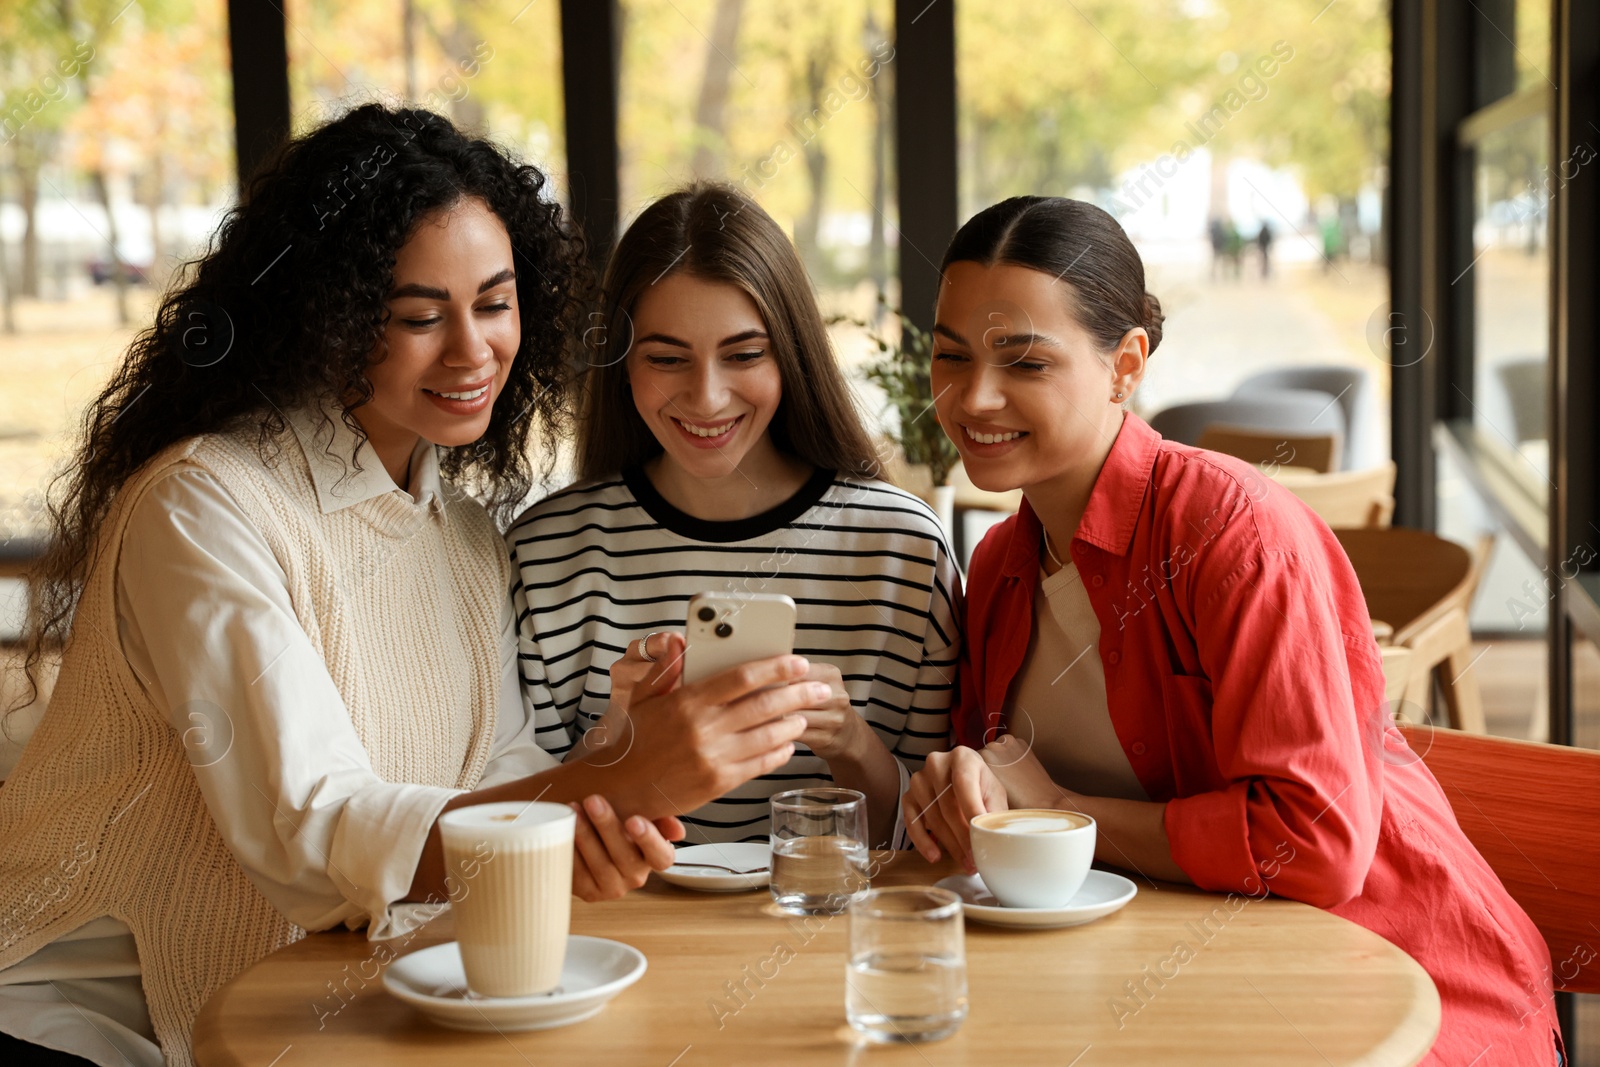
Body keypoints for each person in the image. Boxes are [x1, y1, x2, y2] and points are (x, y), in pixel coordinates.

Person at [0, 108, 815, 1067]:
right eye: (419, 316)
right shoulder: (204, 505)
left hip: (332, 1006)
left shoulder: (462, 532)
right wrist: (613, 779)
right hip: (100, 1022)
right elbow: (314, 829)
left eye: (496, 302)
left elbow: (492, 783)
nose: (472, 350)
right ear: (327, 315)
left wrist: (607, 769)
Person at [901, 196, 1561, 1065]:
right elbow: (1004, 805)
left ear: (1125, 365)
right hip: (1159, 985)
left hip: (1391, 986)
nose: (974, 397)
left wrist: (1064, 811)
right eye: (951, 356)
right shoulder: (995, 570)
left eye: (1023, 360)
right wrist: (959, 794)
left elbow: (1317, 846)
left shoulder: (1229, 531)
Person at [506, 184, 958, 849]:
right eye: (666, 358)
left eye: (744, 354)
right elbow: (520, 833)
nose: (708, 396)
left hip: (834, 926)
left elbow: (932, 837)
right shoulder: (546, 552)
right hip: (624, 940)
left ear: (791, 355)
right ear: (623, 363)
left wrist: (850, 740)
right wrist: (621, 744)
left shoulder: (904, 549)